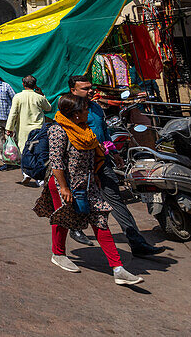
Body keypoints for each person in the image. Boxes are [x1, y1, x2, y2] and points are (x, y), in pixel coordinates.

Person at [45, 93, 143, 285]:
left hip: (87, 183)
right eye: (83, 110)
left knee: (100, 220)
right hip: (64, 184)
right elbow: (56, 162)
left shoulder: (85, 130)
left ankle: (118, 268)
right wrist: (64, 187)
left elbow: (92, 155)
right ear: (74, 114)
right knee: (63, 218)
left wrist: (95, 175)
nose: (87, 112)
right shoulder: (59, 131)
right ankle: (58, 253)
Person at [68, 74, 166, 257]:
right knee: (80, 197)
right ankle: (74, 227)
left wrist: (113, 153)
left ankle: (137, 242)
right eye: (85, 89)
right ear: (73, 90)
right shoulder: (71, 110)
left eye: (90, 88)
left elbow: (104, 131)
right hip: (81, 163)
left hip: (103, 161)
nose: (90, 91)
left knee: (115, 199)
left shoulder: (96, 107)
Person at [6, 75, 52, 184]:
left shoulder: (18, 97)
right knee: (38, 152)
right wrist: (42, 94)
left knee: (24, 152)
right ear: (35, 85)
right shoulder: (39, 97)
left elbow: (13, 114)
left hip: (23, 130)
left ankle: (26, 173)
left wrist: (9, 128)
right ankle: (39, 177)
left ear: (23, 84)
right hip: (38, 130)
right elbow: (48, 108)